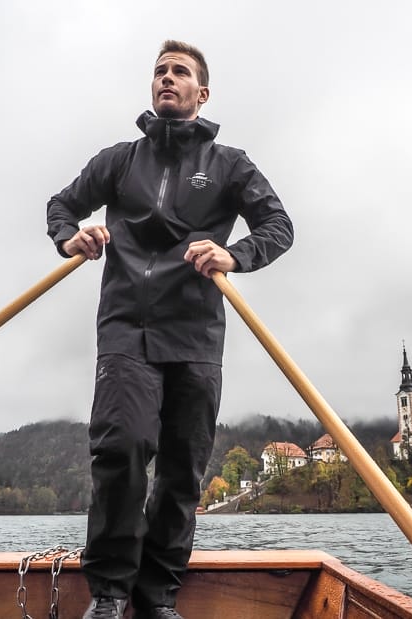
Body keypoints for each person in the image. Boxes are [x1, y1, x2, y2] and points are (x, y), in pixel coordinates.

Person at [46, 40, 293, 619]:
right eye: (159, 71)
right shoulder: (119, 160)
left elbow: (279, 226)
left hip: (196, 337)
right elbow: (62, 205)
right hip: (126, 330)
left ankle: (157, 595)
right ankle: (108, 593)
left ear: (200, 93)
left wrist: (234, 255)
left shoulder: (229, 164)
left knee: (184, 469)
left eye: (179, 72)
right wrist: (70, 238)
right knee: (124, 448)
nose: (166, 78)